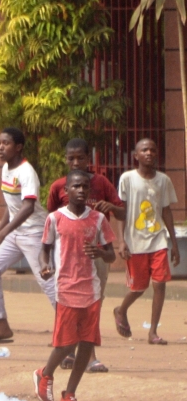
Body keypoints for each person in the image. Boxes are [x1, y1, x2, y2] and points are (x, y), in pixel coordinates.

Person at [34, 170, 116, 401]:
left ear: (90, 192)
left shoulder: (99, 219)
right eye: (76, 186)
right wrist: (45, 266)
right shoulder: (55, 218)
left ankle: (69, 395)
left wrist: (101, 253)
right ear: (66, 191)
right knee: (65, 343)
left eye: (85, 187)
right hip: (67, 288)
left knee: (87, 342)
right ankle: (45, 374)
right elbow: (44, 249)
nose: (81, 190)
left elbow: (111, 255)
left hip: (91, 288)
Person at [46, 138, 124, 373]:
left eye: (81, 157)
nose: (76, 162)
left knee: (93, 302)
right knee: (67, 304)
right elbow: (50, 222)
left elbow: (123, 211)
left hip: (96, 254)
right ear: (66, 160)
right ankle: (69, 350)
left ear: (89, 159)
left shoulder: (101, 183)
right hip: (67, 258)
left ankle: (89, 354)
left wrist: (111, 208)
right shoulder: (58, 186)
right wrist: (47, 258)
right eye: (72, 158)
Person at [0, 128, 56, 343]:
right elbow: (11, 206)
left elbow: (28, 207)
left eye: (6, 143)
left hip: (34, 233)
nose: (1, 147)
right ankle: (2, 327)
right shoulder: (5, 169)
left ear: (19, 147)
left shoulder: (26, 172)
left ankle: (67, 330)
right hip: (15, 232)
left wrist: (2, 234)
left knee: (47, 280)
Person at [113, 138, 180, 345]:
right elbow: (121, 211)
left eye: (152, 149)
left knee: (160, 285)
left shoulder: (163, 181)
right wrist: (122, 241)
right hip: (135, 242)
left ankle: (153, 332)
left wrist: (174, 243)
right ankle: (121, 310)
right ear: (136, 155)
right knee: (138, 288)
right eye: (144, 150)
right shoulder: (127, 179)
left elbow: (166, 210)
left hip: (158, 240)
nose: (149, 153)